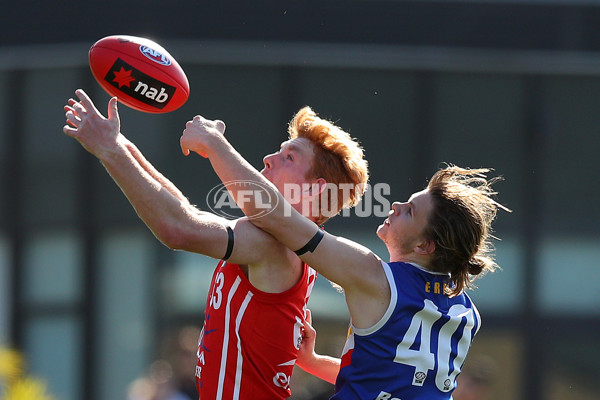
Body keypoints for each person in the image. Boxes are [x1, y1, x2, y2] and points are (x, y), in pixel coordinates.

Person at [62, 89, 369, 399]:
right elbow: (184, 211)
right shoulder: (275, 241)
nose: (268, 159)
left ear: (313, 190)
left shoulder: (276, 246)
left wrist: (111, 150)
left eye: (288, 157)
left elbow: (177, 229)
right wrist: (119, 143)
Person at [179, 118, 511, 399]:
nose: (395, 206)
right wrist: (313, 362)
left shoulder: (375, 277)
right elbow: (397, 377)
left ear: (425, 245)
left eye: (409, 211)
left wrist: (213, 144)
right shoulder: (465, 309)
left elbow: (276, 217)